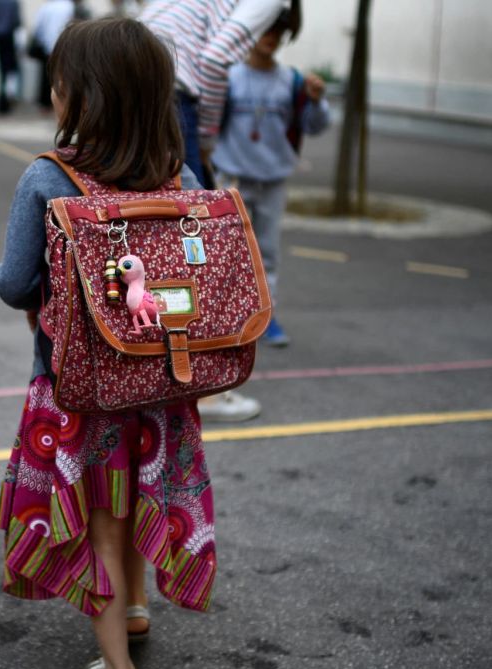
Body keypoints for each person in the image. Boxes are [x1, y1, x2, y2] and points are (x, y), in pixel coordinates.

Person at [0, 18, 215, 669]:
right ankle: (138, 605)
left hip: (80, 391)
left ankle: (118, 664)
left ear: (78, 97)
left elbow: (12, 283)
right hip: (162, 380)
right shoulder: (181, 173)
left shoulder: (47, 178)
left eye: (60, 82)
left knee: (102, 523)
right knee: (141, 494)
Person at [141, 0, 300, 424]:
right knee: (193, 250)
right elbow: (212, 63)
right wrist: (207, 136)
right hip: (173, 100)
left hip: (132, 90)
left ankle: (142, 371)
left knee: (146, 236)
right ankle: (201, 390)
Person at [212, 5, 329, 352]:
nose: (272, 37)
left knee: (268, 252)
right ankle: (226, 318)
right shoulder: (228, 76)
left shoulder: (291, 81)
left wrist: (317, 102)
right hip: (232, 177)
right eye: (267, 28)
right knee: (227, 251)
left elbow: (314, 126)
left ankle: (267, 315)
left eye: (280, 31)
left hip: (274, 179)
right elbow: (211, 123)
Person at [140, 0, 299, 189]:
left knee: (133, 194)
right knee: (196, 205)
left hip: (131, 84)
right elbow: (214, 60)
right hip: (172, 93)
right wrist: (206, 140)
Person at [29, 0, 74, 113]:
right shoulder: (69, 5)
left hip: (48, 46)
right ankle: (64, 103)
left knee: (46, 76)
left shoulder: (46, 7)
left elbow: (38, 28)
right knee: (63, 76)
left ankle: (45, 104)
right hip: (65, 45)